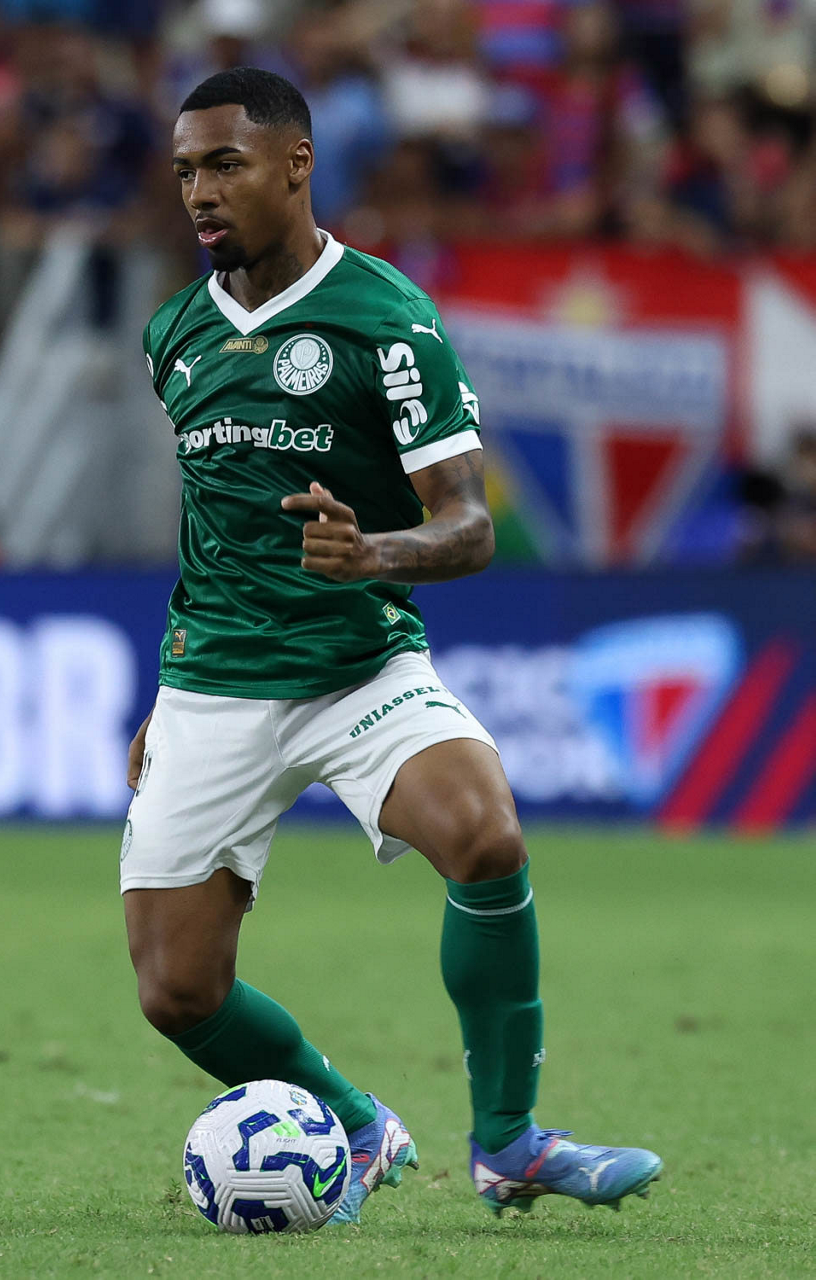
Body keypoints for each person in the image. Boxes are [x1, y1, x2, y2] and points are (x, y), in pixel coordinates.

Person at [123, 66, 663, 1223]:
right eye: (184, 171)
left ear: (296, 164)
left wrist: (371, 552)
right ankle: (357, 1121)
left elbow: (468, 525)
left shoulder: (388, 318)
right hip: (214, 682)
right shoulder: (173, 335)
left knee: (484, 832)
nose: (200, 191)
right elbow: (211, 529)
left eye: (224, 164)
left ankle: (509, 1140)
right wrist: (166, 696)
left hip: (358, 667)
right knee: (176, 990)